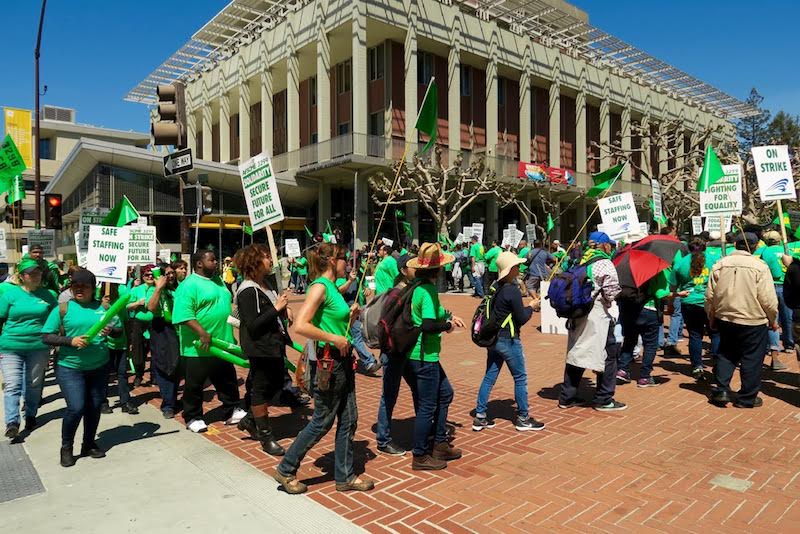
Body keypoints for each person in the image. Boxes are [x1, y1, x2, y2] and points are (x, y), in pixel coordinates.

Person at [274, 243, 374, 494]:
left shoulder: (331, 287)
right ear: (331, 261)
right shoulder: (320, 287)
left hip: (342, 362)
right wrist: (335, 339)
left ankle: (345, 476)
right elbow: (301, 325)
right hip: (329, 363)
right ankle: (286, 468)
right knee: (321, 421)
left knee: (349, 419)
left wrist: (350, 317)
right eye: (344, 259)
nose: (348, 264)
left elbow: (330, 321)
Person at [41, 268, 122, 467]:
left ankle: (89, 444)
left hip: (99, 366)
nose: (79, 289)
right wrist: (71, 341)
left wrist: (110, 330)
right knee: (76, 407)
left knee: (94, 407)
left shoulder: (104, 308)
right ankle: (66, 447)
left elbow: (119, 332)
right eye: (75, 286)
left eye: (84, 286)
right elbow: (46, 336)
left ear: (93, 288)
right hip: (70, 367)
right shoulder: (63, 308)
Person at [405, 243, 465, 471]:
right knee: (427, 406)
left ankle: (439, 442)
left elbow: (431, 315)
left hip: (423, 355)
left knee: (445, 393)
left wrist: (448, 316)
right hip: (424, 355)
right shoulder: (427, 290)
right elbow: (429, 325)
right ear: (438, 270)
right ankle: (420, 455)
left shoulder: (417, 286)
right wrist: (447, 325)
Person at [172, 250, 246, 433]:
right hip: (198, 347)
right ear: (199, 264)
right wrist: (202, 332)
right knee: (194, 384)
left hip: (222, 342)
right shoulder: (188, 286)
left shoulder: (219, 281)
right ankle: (193, 417)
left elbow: (225, 306)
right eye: (211, 260)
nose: (216, 263)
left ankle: (231, 410)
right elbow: (183, 315)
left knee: (227, 379)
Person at [473, 252, 545, 431]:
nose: (519, 269)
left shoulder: (497, 286)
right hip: (508, 340)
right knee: (520, 378)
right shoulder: (511, 290)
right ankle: (523, 418)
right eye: (516, 266)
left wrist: (521, 287)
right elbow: (520, 318)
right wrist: (532, 307)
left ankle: (480, 416)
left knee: (489, 377)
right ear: (510, 269)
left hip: (494, 339)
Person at [706, 232, 778, 408]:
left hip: (726, 316)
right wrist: (773, 318)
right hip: (753, 318)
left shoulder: (720, 264)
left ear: (736, 245)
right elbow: (767, 298)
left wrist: (712, 316)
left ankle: (722, 389)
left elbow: (710, 296)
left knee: (726, 353)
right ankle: (747, 397)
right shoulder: (759, 266)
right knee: (752, 357)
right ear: (753, 247)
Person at [559, 232, 627, 411]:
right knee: (610, 354)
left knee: (577, 350)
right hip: (597, 315)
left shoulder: (579, 259)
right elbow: (611, 292)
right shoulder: (605, 263)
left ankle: (567, 396)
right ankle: (604, 398)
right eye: (609, 245)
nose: (611, 248)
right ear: (604, 245)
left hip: (578, 312)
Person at [234, 244, 291, 456]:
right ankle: (265, 436)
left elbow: (273, 309)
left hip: (273, 344)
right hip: (260, 347)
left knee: (276, 385)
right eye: (266, 257)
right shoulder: (248, 290)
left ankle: (250, 419)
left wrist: (285, 309)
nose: (270, 261)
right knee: (260, 388)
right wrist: (276, 309)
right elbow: (253, 324)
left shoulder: (265, 285)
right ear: (254, 262)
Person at [0, 258, 57, 438]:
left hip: (38, 346)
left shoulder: (48, 295)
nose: (35, 276)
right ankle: (12, 422)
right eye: (31, 273)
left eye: (38, 272)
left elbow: (58, 318)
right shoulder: (10, 294)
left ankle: (31, 414)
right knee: (12, 385)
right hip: (11, 346)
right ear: (22, 276)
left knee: (33, 384)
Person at [375, 254, 420, 455]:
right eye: (413, 266)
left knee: (419, 388)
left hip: (406, 351)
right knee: (389, 395)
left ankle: (423, 429)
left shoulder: (411, 290)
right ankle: (383, 440)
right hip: (394, 352)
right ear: (403, 270)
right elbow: (385, 325)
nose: (418, 268)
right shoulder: (396, 293)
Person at [673, 238, 719, 380]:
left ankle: (697, 366)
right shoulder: (715, 260)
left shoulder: (681, 263)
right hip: (709, 302)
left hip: (689, 302)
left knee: (695, 335)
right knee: (716, 333)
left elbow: (673, 285)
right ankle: (718, 364)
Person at [146, 264, 181, 419]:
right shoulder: (154, 290)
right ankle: (168, 404)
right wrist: (158, 288)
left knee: (176, 366)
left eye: (173, 273)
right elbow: (151, 307)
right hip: (161, 330)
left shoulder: (178, 290)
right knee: (163, 366)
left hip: (178, 331)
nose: (171, 276)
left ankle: (172, 400)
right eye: (167, 274)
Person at [101, 283, 138, 415]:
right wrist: (102, 305)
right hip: (104, 344)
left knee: (122, 373)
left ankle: (125, 401)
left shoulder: (120, 302)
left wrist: (129, 341)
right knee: (104, 374)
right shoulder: (99, 303)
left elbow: (126, 322)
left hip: (120, 343)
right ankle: (102, 402)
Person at [760, 230, 794, 370]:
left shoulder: (764, 252)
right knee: (788, 317)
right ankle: (789, 344)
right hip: (786, 286)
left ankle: (772, 346)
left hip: (770, 287)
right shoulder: (787, 249)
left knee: (772, 319)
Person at [127, 265, 156, 387]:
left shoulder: (158, 289)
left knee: (155, 350)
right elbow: (127, 306)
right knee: (138, 350)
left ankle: (154, 376)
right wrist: (138, 303)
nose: (150, 277)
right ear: (142, 276)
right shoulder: (136, 290)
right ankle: (139, 375)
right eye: (147, 274)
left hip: (154, 324)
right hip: (138, 324)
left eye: (152, 274)